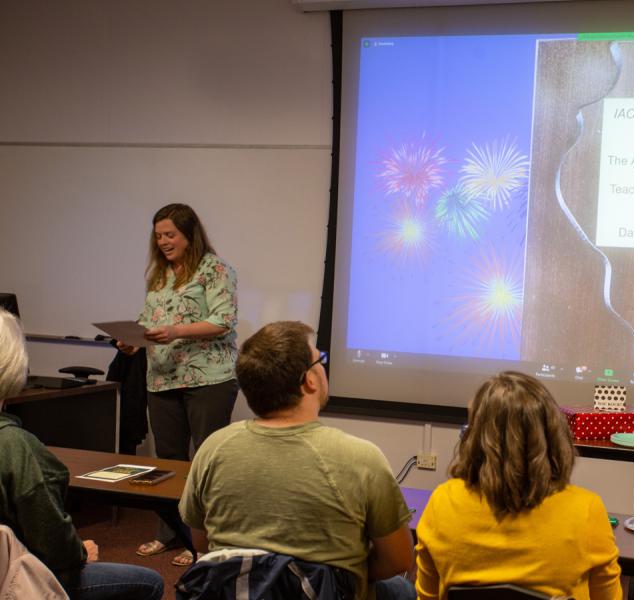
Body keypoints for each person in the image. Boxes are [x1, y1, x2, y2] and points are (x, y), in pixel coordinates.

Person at [178, 321, 415, 600]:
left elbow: (203, 542)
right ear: (309, 380)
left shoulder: (213, 448)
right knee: (400, 590)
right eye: (320, 359)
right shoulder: (361, 458)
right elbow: (399, 560)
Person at [0, 309, 164, 600]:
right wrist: (79, 552)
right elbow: (52, 543)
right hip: (12, 578)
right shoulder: (15, 447)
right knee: (149, 582)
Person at [415, 371, 621, 600]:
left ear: (474, 438)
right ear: (553, 437)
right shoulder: (586, 510)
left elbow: (427, 597)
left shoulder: (442, 502)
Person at [118, 203, 239, 566]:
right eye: (158, 236)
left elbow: (224, 321)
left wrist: (175, 331)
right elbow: (149, 320)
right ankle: (170, 534)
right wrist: (132, 340)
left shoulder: (215, 270)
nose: (164, 241)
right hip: (162, 378)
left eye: (170, 234)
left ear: (189, 235)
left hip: (209, 379)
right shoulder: (158, 275)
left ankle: (206, 541)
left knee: (205, 461)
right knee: (167, 463)